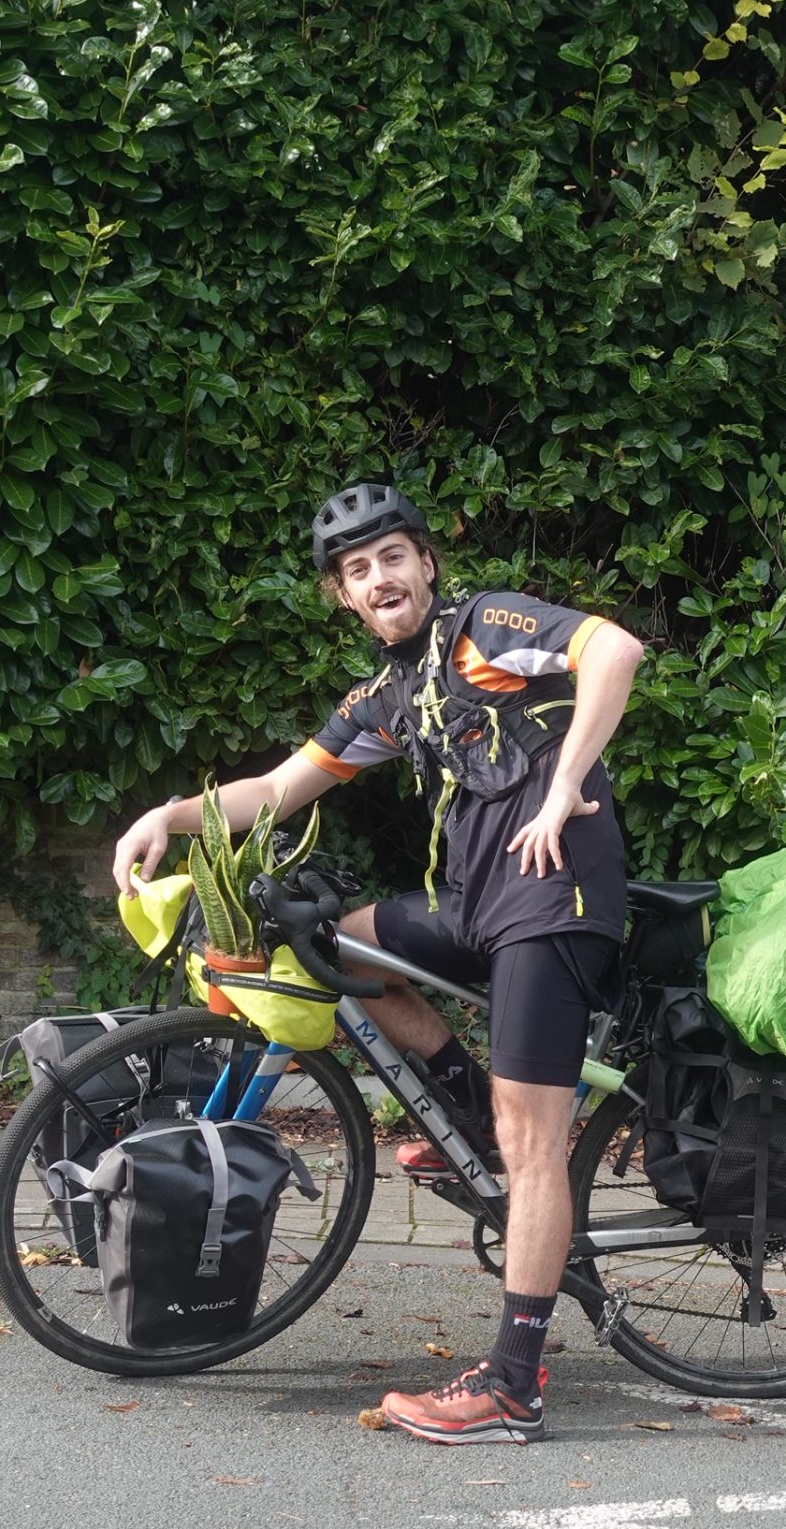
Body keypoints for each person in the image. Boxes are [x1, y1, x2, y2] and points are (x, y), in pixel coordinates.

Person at [111, 480, 644, 1447]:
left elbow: (613, 647)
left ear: (426, 566)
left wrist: (564, 786)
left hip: (550, 901)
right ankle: (471, 1120)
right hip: (471, 901)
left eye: (393, 557)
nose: (380, 577)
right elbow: (276, 789)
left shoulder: (486, 629)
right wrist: (167, 819)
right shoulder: (392, 695)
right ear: (345, 600)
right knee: (338, 939)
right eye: (358, 571)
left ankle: (514, 1386)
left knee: (537, 1151)